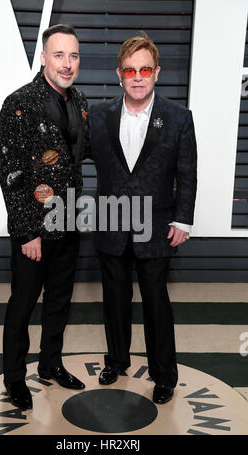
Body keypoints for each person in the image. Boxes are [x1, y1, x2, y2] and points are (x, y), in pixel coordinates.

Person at [88, 33, 197, 404]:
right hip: (111, 225)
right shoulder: (99, 116)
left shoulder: (179, 118)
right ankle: (116, 361)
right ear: (120, 74)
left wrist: (183, 220)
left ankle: (163, 375)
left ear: (157, 73)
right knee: (114, 300)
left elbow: (187, 172)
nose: (138, 76)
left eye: (145, 69)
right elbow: (71, 158)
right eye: (130, 70)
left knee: (156, 303)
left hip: (156, 227)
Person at [0, 24, 88, 410]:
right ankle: (15, 378)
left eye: (73, 56)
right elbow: (12, 173)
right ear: (43, 58)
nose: (67, 64)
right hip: (34, 230)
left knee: (59, 302)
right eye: (59, 55)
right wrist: (26, 232)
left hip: (69, 223)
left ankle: (51, 364)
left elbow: (76, 160)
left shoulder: (79, 100)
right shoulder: (18, 104)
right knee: (23, 304)